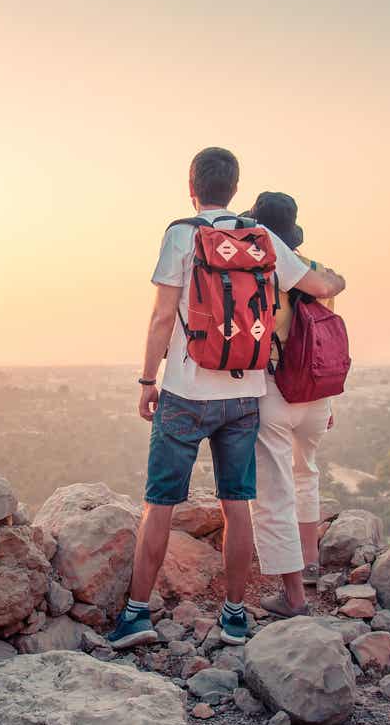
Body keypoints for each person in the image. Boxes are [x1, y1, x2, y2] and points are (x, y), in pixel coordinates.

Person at [107, 148, 346, 649]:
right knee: (237, 504)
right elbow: (319, 284)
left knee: (159, 504)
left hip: (185, 392)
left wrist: (147, 380)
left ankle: (136, 615)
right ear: (235, 189)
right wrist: (339, 280)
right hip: (245, 393)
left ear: (191, 186)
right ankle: (235, 615)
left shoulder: (181, 234)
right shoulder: (261, 237)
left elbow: (160, 318)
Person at [248, 191, 337, 617]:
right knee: (307, 475)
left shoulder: (258, 273)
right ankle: (311, 561)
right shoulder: (315, 271)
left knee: (274, 490)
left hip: (275, 390)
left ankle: (293, 596)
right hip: (317, 393)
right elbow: (332, 295)